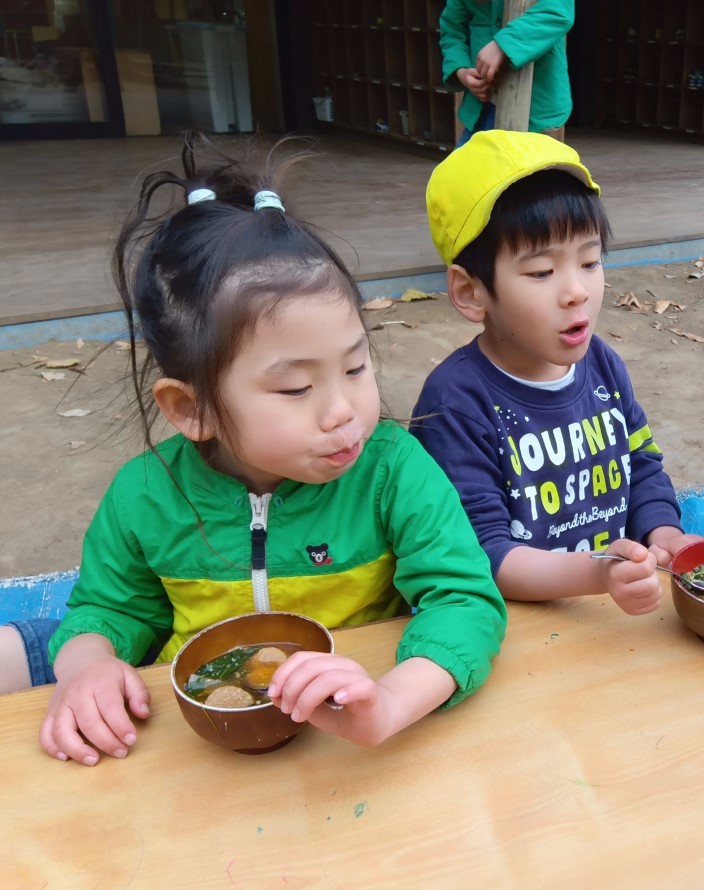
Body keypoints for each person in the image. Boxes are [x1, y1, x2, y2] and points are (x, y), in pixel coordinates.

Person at [0, 133, 506, 765]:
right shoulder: (144, 498)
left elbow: (464, 599)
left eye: (355, 368)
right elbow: (108, 609)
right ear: (192, 409)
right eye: (296, 387)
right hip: (197, 751)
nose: (343, 409)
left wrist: (393, 702)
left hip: (347, 740)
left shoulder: (392, 471)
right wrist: (87, 665)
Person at [413, 130, 702, 616]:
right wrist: (596, 572)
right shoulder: (457, 402)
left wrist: (663, 532)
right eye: (542, 272)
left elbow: (643, 465)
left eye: (590, 261)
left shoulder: (602, 364)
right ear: (471, 293)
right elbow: (487, 554)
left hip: (611, 609)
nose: (577, 292)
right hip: (525, 625)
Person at [439, 0, 574, 145]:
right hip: (481, 107)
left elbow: (557, 12)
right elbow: (452, 28)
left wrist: (502, 45)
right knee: (462, 167)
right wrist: (461, 70)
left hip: (536, 103)